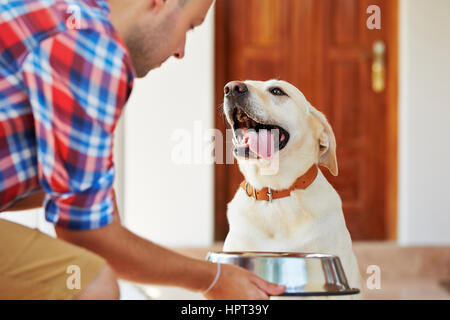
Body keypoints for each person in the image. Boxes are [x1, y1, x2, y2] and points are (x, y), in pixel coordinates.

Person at [0, 0, 285, 299]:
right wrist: (212, 278)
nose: (181, 50)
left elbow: (83, 203)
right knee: (91, 281)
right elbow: (88, 237)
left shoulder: (68, 13)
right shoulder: (92, 47)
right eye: (189, 26)